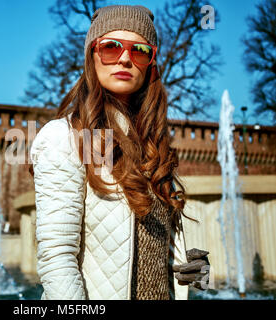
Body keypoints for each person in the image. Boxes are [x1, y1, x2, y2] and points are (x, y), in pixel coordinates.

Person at [29, 5, 210, 300]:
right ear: (92, 56)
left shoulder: (154, 145)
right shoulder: (64, 137)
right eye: (111, 47)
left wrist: (192, 271)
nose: (125, 58)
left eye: (139, 50)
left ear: (150, 63)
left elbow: (159, 253)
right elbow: (57, 259)